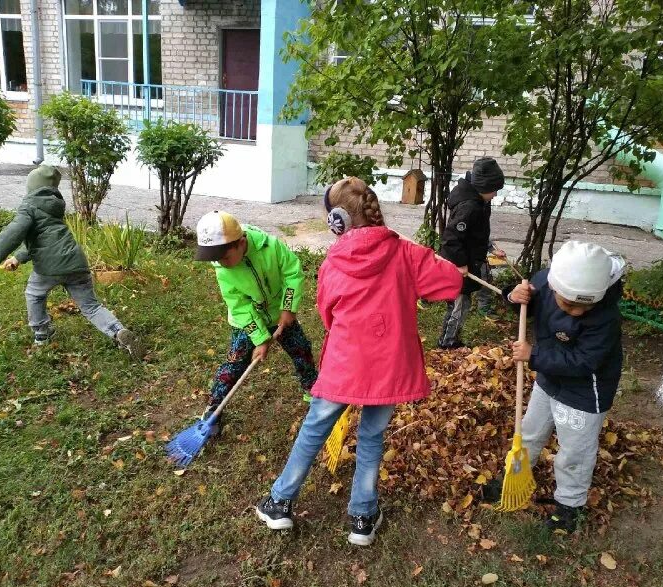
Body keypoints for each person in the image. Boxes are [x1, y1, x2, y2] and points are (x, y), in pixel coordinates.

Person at [255, 177, 463, 546]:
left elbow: (327, 313)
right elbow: (449, 283)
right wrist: (428, 257)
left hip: (345, 363)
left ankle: (280, 502)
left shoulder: (334, 261)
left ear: (336, 221)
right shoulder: (405, 252)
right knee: (372, 436)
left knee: (313, 431)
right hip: (389, 366)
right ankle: (362, 518)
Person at [484, 240, 626, 533]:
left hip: (583, 394)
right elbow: (525, 304)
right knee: (529, 432)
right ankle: (514, 477)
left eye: (582, 306)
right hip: (549, 379)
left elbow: (584, 362)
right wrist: (514, 296)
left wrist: (533, 355)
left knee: (574, 452)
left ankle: (569, 507)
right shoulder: (546, 281)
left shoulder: (605, 318)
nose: (574, 311)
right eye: (568, 303)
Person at [0, 165, 143, 358]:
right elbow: (43, 241)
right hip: (76, 262)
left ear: (32, 188)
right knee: (91, 306)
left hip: (49, 267)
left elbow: (15, 231)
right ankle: (117, 331)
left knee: (35, 294)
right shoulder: (54, 208)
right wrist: (17, 258)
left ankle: (41, 335)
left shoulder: (29, 206)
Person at [193, 210, 318, 435]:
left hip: (280, 314)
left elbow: (292, 272)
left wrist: (288, 308)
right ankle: (214, 410)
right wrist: (260, 338)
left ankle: (313, 391)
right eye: (216, 258)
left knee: (301, 349)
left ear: (241, 243)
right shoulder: (223, 269)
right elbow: (239, 306)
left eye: (225, 256)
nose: (221, 263)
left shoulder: (271, 247)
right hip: (248, 321)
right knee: (234, 363)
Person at [438, 157, 507, 349]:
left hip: (469, 260)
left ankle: (451, 338)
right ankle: (447, 342)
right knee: (458, 305)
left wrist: (491, 248)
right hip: (458, 263)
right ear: (483, 186)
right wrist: (459, 264)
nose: (495, 195)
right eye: (493, 190)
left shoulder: (480, 201)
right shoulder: (469, 207)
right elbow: (451, 239)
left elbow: (475, 234)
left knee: (463, 304)